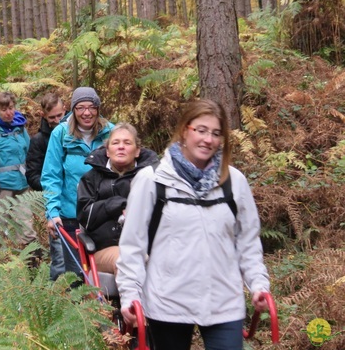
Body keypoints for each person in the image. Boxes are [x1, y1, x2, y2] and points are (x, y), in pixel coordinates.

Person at [116, 99, 271, 350]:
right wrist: (129, 295)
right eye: (201, 130)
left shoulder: (235, 182)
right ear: (184, 130)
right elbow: (133, 244)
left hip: (224, 302)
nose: (208, 139)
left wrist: (258, 284)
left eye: (216, 133)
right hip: (168, 302)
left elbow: (248, 241)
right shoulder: (153, 180)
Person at [41, 87, 114, 278]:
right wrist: (52, 211)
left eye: (91, 107)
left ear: (98, 108)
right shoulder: (61, 134)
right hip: (70, 214)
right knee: (75, 273)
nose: (87, 112)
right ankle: (78, 306)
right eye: (81, 107)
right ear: (73, 109)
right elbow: (51, 175)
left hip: (104, 215)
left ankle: (103, 306)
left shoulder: (111, 133)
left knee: (103, 271)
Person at [76, 123, 159, 276]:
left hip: (146, 247)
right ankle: (131, 301)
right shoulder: (91, 178)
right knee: (128, 260)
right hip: (105, 250)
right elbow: (84, 218)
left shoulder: (151, 178)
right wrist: (113, 205)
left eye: (127, 143)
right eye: (115, 143)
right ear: (107, 151)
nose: (121, 147)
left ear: (137, 151)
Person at [0, 91, 36, 246]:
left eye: (11, 108)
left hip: (22, 185)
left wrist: (33, 174)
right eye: (4, 110)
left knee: (26, 227)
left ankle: (31, 263)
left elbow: (29, 152)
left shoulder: (20, 128)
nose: (9, 113)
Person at [26, 92, 66, 280]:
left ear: (65, 110)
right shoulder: (39, 141)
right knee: (59, 254)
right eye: (52, 117)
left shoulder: (76, 134)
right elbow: (32, 175)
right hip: (55, 203)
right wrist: (51, 186)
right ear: (43, 116)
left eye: (60, 115)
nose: (57, 120)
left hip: (79, 201)